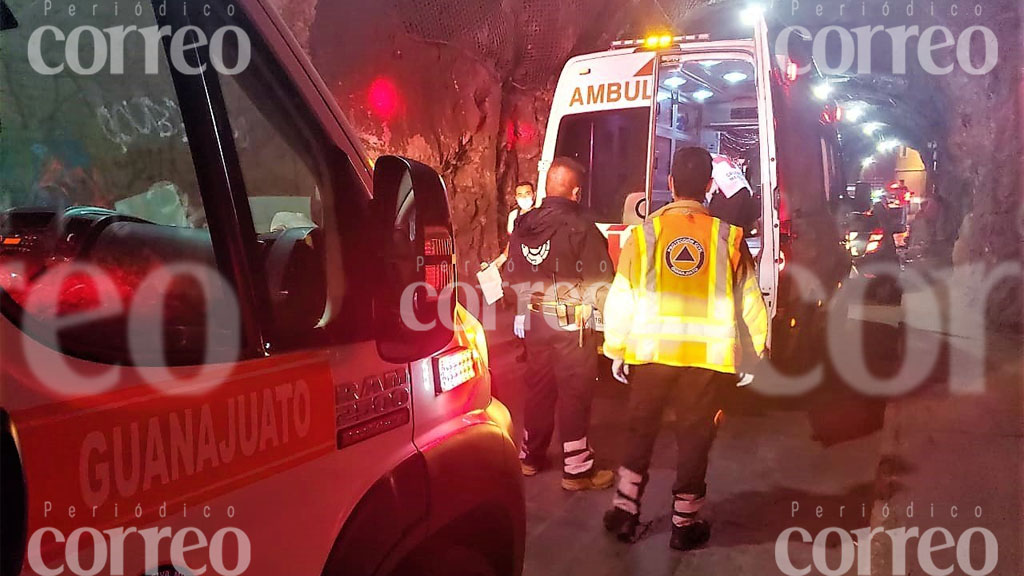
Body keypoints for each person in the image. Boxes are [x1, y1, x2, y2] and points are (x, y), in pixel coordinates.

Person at [601, 147, 768, 550]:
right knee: (695, 438)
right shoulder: (729, 237)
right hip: (705, 359)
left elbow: (621, 296)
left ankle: (625, 512)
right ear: (709, 187)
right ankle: (683, 524)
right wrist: (754, 354)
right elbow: (750, 301)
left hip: (650, 352)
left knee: (640, 432)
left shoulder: (643, 236)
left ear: (671, 184)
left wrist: (616, 347)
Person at [504, 157, 615, 491]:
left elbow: (510, 275)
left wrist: (521, 311)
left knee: (538, 387)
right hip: (571, 325)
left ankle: (530, 457)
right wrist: (607, 327)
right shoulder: (582, 228)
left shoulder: (523, 226)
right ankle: (577, 470)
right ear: (576, 192)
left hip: (535, 320)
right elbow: (601, 282)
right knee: (574, 392)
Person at [707, 153, 759, 230]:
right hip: (744, 190)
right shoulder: (718, 157)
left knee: (720, 231)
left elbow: (709, 188)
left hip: (730, 193)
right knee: (735, 231)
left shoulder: (703, 159)